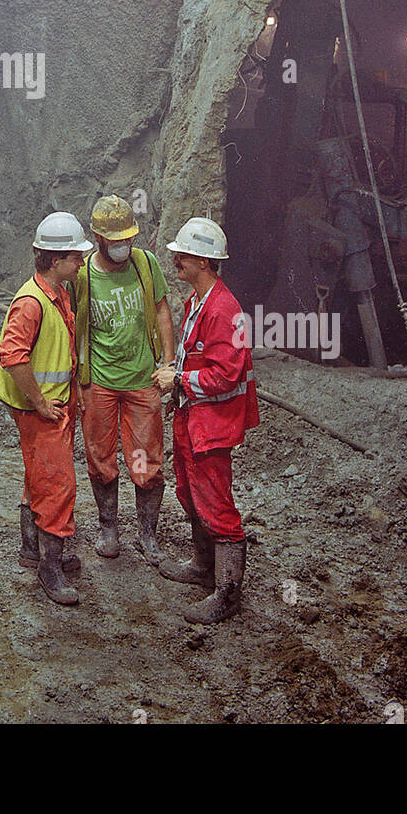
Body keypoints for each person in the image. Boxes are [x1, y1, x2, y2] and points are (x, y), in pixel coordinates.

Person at [154, 217, 259, 624]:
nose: (176, 260)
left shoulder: (224, 309)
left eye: (182, 254)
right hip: (192, 414)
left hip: (212, 424)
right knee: (188, 490)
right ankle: (203, 567)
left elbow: (225, 375)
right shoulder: (196, 301)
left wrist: (177, 380)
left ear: (202, 260)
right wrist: (179, 391)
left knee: (217, 504)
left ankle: (227, 595)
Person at [0, 212, 93, 605]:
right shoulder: (31, 302)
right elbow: (12, 355)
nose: (81, 262)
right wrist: (40, 402)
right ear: (55, 260)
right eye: (75, 257)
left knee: (39, 477)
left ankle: (32, 551)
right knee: (58, 484)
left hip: (54, 403)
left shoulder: (57, 292)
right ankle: (50, 568)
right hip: (40, 409)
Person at [74, 195, 174, 564]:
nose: (123, 247)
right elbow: (73, 328)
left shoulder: (145, 265)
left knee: (147, 460)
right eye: (116, 241)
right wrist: (75, 381)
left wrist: (168, 361)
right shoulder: (82, 274)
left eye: (128, 239)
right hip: (98, 380)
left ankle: (148, 535)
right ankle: (109, 531)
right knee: (100, 457)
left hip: (142, 379)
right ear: (98, 238)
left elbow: (162, 309)